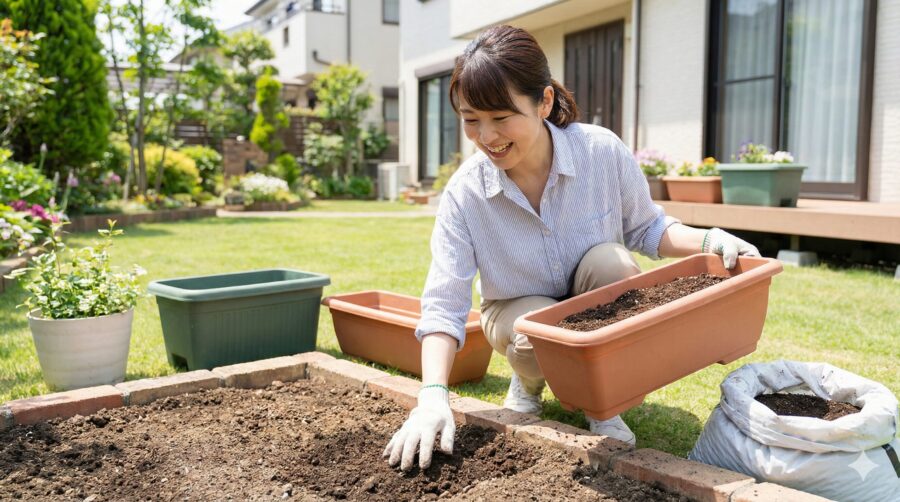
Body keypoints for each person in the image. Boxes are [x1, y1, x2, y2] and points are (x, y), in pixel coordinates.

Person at [383, 25, 760, 472]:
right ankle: (527, 382)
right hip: (516, 313)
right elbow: (444, 305)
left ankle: (602, 402)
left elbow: (647, 227)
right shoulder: (466, 194)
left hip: (593, 297)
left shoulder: (600, 152)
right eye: (470, 120)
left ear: (543, 102)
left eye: (501, 118)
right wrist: (431, 397)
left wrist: (708, 239)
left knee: (614, 262)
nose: (486, 137)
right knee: (534, 327)